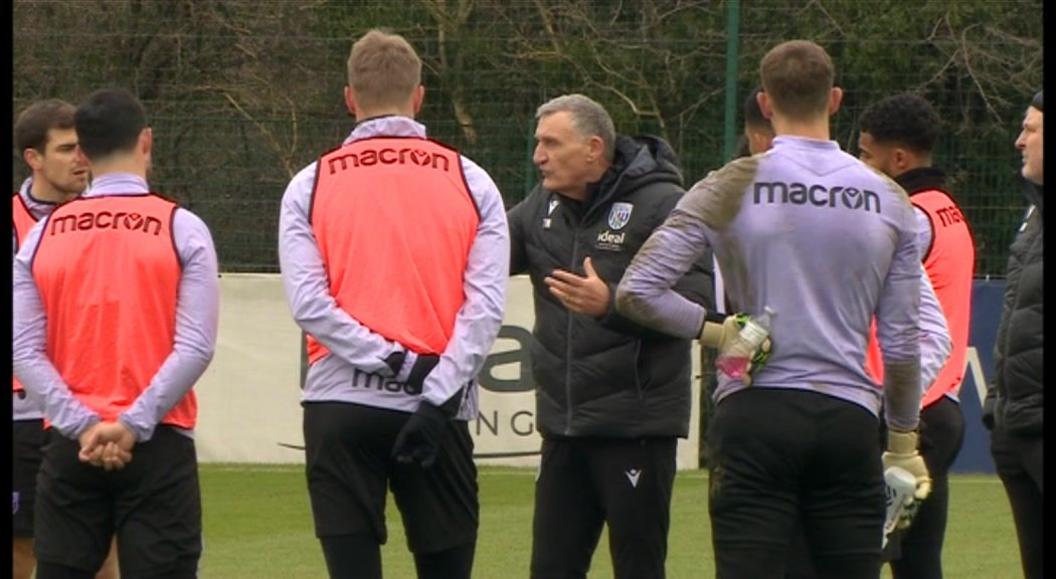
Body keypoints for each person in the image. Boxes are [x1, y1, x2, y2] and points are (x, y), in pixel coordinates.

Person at [616, 40, 931, 578]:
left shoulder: (729, 184)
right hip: (848, 416)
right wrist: (902, 442)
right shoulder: (890, 199)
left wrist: (721, 333)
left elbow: (637, 290)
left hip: (755, 408)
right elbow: (902, 343)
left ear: (765, 104)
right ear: (834, 100)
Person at [277, 29, 509, 579]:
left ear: (350, 99)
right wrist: (434, 387)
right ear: (420, 96)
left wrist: (394, 361)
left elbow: (310, 305)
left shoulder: (309, 183)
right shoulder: (470, 179)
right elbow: (485, 308)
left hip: (341, 403)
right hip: (437, 406)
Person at [13, 88, 219, 579]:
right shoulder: (182, 227)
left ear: (82, 152)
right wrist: (132, 423)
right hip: (159, 438)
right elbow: (195, 346)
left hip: (69, 442)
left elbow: (23, 347)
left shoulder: (43, 234)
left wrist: (83, 425)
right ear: (145, 141)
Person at [507, 93, 714, 579]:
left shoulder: (664, 205)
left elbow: (700, 306)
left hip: (635, 429)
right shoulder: (543, 205)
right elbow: (483, 248)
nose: (539, 155)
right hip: (563, 428)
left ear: (593, 148)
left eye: (551, 144)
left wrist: (613, 303)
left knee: (638, 569)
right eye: (538, 143)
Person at [858, 92, 975, 579]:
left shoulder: (909, 219)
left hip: (907, 415)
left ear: (898, 158)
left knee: (859, 555)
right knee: (920, 564)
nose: (860, 165)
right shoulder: (947, 209)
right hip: (942, 407)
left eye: (866, 154)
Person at [11, 99, 119, 579]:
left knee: (104, 550)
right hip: (26, 415)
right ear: (33, 158)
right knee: (23, 551)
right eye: (68, 148)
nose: (82, 159)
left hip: (98, 409)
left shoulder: (113, 217)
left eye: (85, 147)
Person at [982, 90, 1043, 579]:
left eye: (1031, 129)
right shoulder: (1034, 217)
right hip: (1018, 424)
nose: (1018, 140)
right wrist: (999, 405)